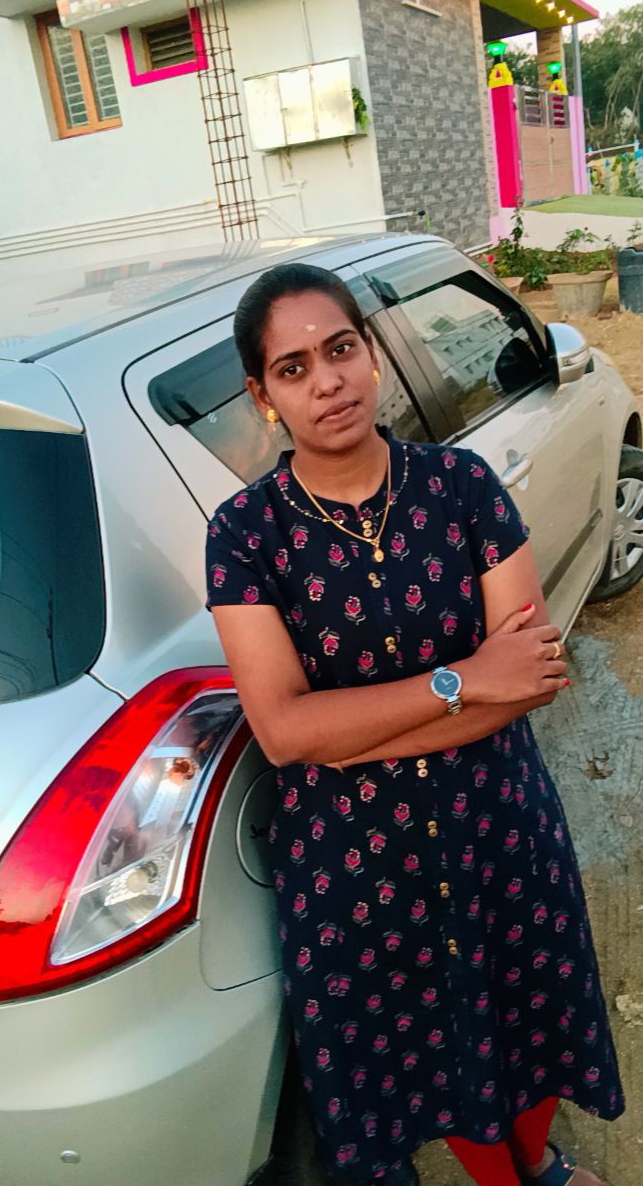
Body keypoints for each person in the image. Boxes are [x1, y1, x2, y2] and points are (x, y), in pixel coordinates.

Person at [205, 263, 624, 1186]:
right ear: (263, 394)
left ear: (371, 353)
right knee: (415, 1054)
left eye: (340, 349)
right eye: (292, 368)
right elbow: (284, 734)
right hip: (360, 865)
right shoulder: (245, 534)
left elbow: (528, 679)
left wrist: (349, 730)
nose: (327, 381)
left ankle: (533, 1165)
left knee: (528, 1016)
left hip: (497, 823)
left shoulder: (459, 485)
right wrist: (463, 681)